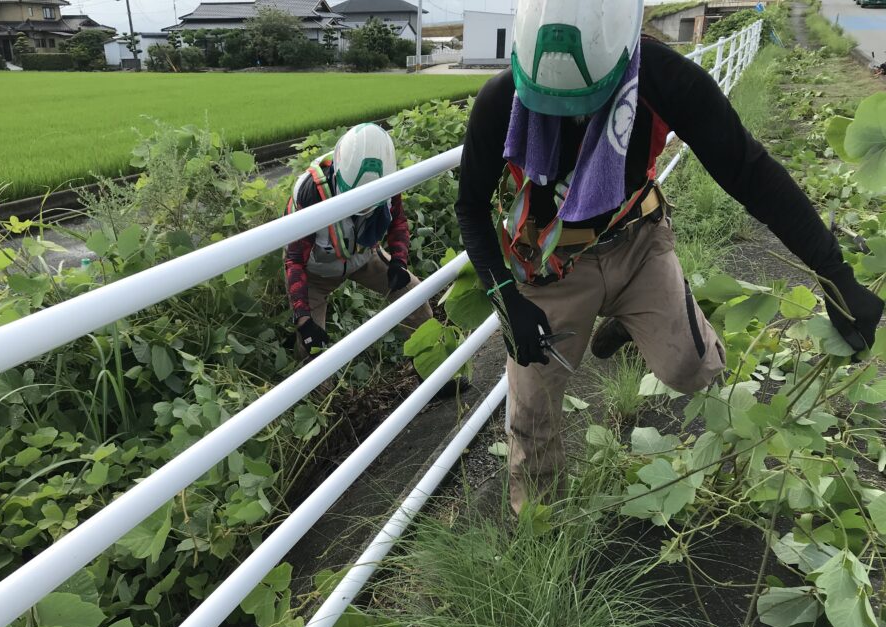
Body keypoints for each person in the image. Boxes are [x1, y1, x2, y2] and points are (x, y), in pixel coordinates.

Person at [455, 0, 884, 512]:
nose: (572, 116)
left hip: (636, 240)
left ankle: (630, 322)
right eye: (552, 103)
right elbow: (470, 209)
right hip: (551, 267)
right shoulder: (501, 98)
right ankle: (541, 528)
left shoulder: (663, 79)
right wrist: (507, 299)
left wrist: (835, 276)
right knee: (532, 411)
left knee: (692, 369)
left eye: (589, 101)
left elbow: (749, 172)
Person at [284, 123, 433, 360]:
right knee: (312, 347)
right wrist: (303, 319)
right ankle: (311, 384)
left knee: (414, 297)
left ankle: (437, 374)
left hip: (364, 257)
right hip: (316, 272)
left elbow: (398, 221)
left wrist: (399, 262)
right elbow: (294, 260)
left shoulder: (387, 178)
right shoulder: (312, 194)